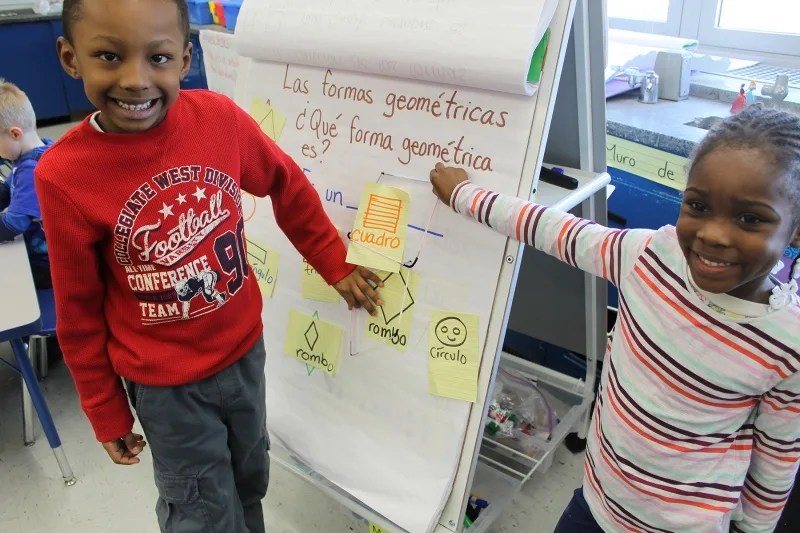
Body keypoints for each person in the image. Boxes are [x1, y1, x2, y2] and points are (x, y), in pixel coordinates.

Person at [34, 1, 382, 532]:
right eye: (109, 56)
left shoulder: (217, 119)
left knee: (249, 481)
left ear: (184, 58)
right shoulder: (65, 174)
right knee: (201, 512)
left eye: (158, 57)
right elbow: (78, 311)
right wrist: (104, 409)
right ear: (70, 58)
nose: (135, 79)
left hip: (244, 354)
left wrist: (333, 263)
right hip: (166, 387)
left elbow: (286, 184)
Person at [430, 106, 800, 532]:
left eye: (750, 218)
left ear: (795, 229)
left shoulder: (786, 341)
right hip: (597, 501)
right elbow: (555, 231)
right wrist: (464, 196)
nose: (713, 234)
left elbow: (777, 458)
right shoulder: (651, 256)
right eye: (697, 205)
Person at [0, 80, 53, 289]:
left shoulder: (32, 169)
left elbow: (15, 223)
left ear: (15, 134)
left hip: (46, 263)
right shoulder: (38, 152)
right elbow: (8, 190)